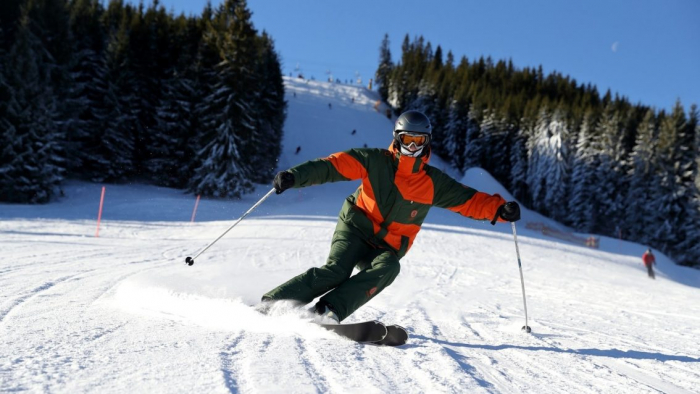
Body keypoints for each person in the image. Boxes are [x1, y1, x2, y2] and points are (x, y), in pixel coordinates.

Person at [262, 110, 520, 323]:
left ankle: (326, 312)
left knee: (389, 267)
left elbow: (470, 201)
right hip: (355, 228)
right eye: (408, 139)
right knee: (336, 271)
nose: (412, 146)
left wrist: (498, 209)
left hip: (387, 245)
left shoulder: (433, 183)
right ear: (397, 138)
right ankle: (274, 303)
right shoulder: (375, 161)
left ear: (427, 143)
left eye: (419, 141)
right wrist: (296, 176)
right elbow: (335, 165)